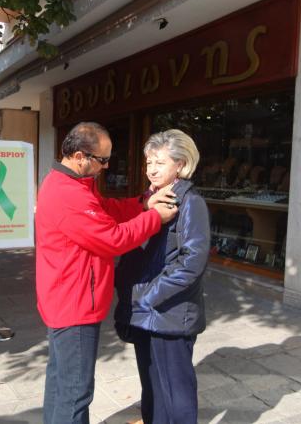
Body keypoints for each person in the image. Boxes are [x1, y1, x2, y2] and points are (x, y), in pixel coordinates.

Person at [35, 122, 178, 424]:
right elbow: (112, 238)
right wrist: (154, 217)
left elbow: (106, 210)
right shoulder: (67, 193)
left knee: (61, 384)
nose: (107, 165)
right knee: (75, 392)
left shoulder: (74, 185)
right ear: (79, 156)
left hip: (66, 299)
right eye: (102, 159)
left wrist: (141, 203)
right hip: (74, 306)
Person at [114, 129, 210, 424]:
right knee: (152, 386)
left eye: (159, 163)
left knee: (176, 392)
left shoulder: (191, 202)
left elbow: (192, 262)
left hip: (170, 312)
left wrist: (149, 295)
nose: (151, 170)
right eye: (148, 163)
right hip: (143, 310)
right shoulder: (148, 198)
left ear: (180, 165)